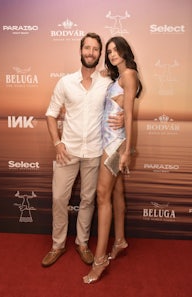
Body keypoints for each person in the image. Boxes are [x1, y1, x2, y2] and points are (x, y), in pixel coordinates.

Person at [42, 33, 123, 267]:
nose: (91, 52)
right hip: (68, 150)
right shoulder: (65, 82)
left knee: (88, 199)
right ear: (80, 51)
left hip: (95, 151)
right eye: (87, 48)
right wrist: (57, 143)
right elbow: (50, 113)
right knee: (59, 198)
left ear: (99, 54)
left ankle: (82, 243)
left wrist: (123, 117)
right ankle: (57, 245)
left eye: (96, 49)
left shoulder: (107, 83)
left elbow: (123, 101)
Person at [83, 36, 142, 283]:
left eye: (116, 50)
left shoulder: (129, 75)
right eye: (109, 51)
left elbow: (127, 113)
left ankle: (99, 261)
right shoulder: (117, 76)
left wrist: (127, 149)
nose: (112, 54)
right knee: (117, 193)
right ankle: (119, 240)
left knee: (102, 196)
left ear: (125, 50)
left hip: (115, 144)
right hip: (109, 141)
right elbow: (117, 107)